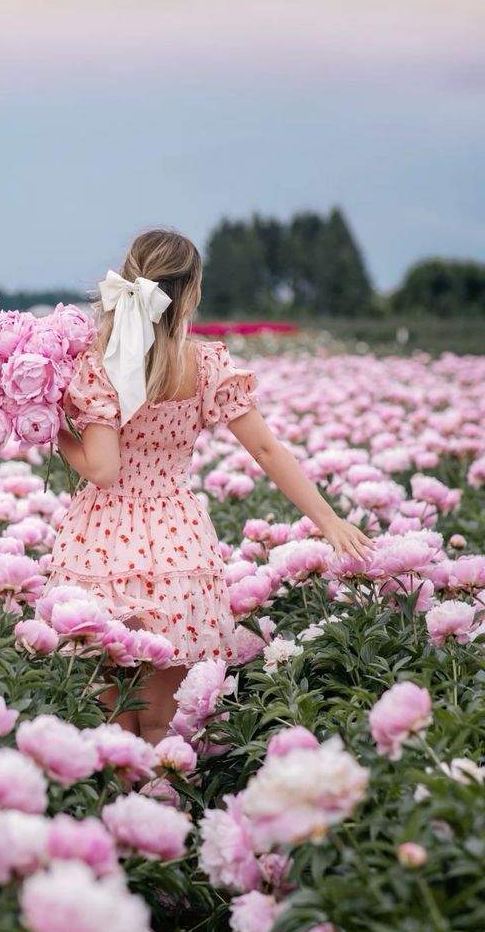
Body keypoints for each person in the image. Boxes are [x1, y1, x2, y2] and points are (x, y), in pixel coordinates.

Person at [47, 228, 373, 744]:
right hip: (177, 543)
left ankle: (118, 817)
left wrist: (52, 428)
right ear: (191, 291)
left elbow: (102, 469)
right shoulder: (206, 365)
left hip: (103, 544)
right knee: (163, 724)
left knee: (111, 724)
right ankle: (170, 817)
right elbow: (267, 450)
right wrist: (328, 519)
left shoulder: (98, 364)